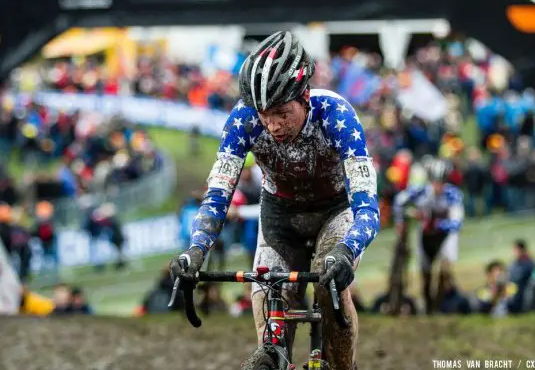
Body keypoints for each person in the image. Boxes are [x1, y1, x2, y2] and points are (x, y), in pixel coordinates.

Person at [170, 31, 380, 370]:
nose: (273, 124)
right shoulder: (243, 119)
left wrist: (347, 250)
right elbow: (218, 196)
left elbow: (367, 206)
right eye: (264, 114)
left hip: (336, 211)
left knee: (330, 290)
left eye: (282, 112)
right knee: (270, 312)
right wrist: (195, 250)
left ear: (305, 96)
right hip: (280, 217)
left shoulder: (337, 115)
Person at [393, 158, 464, 314]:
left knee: (445, 271)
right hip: (424, 236)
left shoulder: (453, 195)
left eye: (441, 182)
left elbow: (458, 223)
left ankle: (438, 305)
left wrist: (437, 223)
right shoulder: (420, 191)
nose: (438, 186)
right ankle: (428, 305)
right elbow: (399, 202)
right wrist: (401, 222)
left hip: (445, 236)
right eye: (435, 181)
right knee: (425, 273)